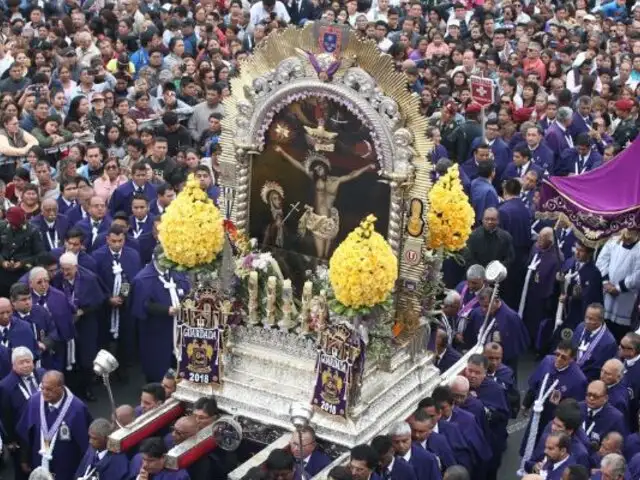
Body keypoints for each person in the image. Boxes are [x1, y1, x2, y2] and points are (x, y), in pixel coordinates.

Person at [16, 370, 93, 480]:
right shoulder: (35, 401)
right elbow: (26, 433)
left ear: (60, 388)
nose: (44, 392)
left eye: (49, 389)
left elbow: (85, 444)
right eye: (42, 387)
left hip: (65, 468)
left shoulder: (77, 409)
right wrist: (24, 459)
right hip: (39, 463)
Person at [130, 247, 190, 382]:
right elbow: (143, 304)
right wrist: (166, 310)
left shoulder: (176, 273)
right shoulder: (143, 279)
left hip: (177, 326)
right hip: (155, 329)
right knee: (157, 363)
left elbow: (186, 289)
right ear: (156, 258)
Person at [55, 252, 108, 401]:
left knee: (86, 359)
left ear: (76, 267)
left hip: (86, 323)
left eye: (68, 269)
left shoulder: (89, 279)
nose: (65, 273)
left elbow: (99, 301)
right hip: (66, 324)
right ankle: (71, 390)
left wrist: (83, 311)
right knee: (69, 359)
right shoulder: (58, 278)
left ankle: (87, 389)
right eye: (62, 269)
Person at [521, 340, 588, 448]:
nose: (558, 359)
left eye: (564, 357)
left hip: (555, 423)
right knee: (529, 444)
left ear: (572, 359)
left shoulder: (579, 380)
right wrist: (526, 404)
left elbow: (574, 410)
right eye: (557, 354)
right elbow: (535, 384)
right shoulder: (547, 361)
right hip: (538, 413)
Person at [91, 225, 142, 364]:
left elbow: (131, 278)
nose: (117, 244)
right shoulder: (97, 256)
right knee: (103, 341)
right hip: (104, 307)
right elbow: (96, 281)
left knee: (125, 341)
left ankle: (124, 370)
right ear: (107, 239)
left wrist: (121, 297)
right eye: (113, 241)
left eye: (120, 241)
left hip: (125, 307)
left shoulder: (132, 255)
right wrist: (108, 298)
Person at [0, 347, 46, 480]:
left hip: (45, 433)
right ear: (13, 365)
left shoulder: (43, 375)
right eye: (21, 362)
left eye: (28, 361)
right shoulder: (5, 386)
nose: (26, 365)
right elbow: (5, 416)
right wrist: (10, 440)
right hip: (22, 438)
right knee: (24, 472)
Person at [465, 354, 510, 480]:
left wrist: (480, 407)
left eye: (477, 372)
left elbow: (503, 416)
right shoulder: (460, 386)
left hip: (489, 442)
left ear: (485, 373)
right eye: (470, 370)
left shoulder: (495, 390)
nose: (472, 375)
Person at [465, 287, 529, 373]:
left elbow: (514, 350)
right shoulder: (476, 313)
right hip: (479, 361)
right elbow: (470, 338)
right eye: (481, 306)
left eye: (486, 306)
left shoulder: (511, 318)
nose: (483, 310)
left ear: (496, 300)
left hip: (502, 364)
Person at [520, 226, 562, 351]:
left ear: (550, 242)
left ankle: (536, 345)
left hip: (543, 296)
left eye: (542, 239)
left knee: (538, 322)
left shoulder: (557, 258)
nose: (538, 240)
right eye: (539, 237)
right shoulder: (535, 248)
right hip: (530, 290)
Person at [596, 229, 640, 342]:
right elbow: (601, 260)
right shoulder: (613, 241)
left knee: (618, 334)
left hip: (626, 298)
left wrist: (619, 287)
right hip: (606, 292)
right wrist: (606, 282)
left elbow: (638, 274)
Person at [557, 241, 604, 333]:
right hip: (563, 311)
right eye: (576, 249)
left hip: (578, 316)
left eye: (581, 251)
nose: (577, 253)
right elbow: (562, 276)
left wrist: (569, 298)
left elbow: (589, 299)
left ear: (589, 254)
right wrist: (558, 278)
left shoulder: (594, 273)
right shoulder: (570, 262)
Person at [10, 282, 59, 370]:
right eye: (23, 300)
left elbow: (54, 332)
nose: (28, 302)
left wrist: (45, 344)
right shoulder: (10, 319)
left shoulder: (41, 312)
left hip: (44, 360)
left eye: (29, 298)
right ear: (13, 302)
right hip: (21, 364)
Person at [0, 207, 45, 297]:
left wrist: (22, 263)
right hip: (3, 272)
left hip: (23, 274)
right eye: (11, 224)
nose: (13, 227)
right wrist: (2, 261)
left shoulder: (33, 231)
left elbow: (40, 254)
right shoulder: (2, 227)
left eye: (16, 225)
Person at [571, 303, 618, 382]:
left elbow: (597, 370)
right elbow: (571, 348)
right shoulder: (580, 327)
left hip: (588, 380)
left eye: (591, 319)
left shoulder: (609, 342)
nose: (587, 321)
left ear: (601, 320)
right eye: (586, 317)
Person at [579, 380, 627, 449]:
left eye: (596, 396)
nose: (591, 398)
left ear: (605, 398)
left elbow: (617, 447)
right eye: (589, 394)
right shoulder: (578, 408)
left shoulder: (616, 419)